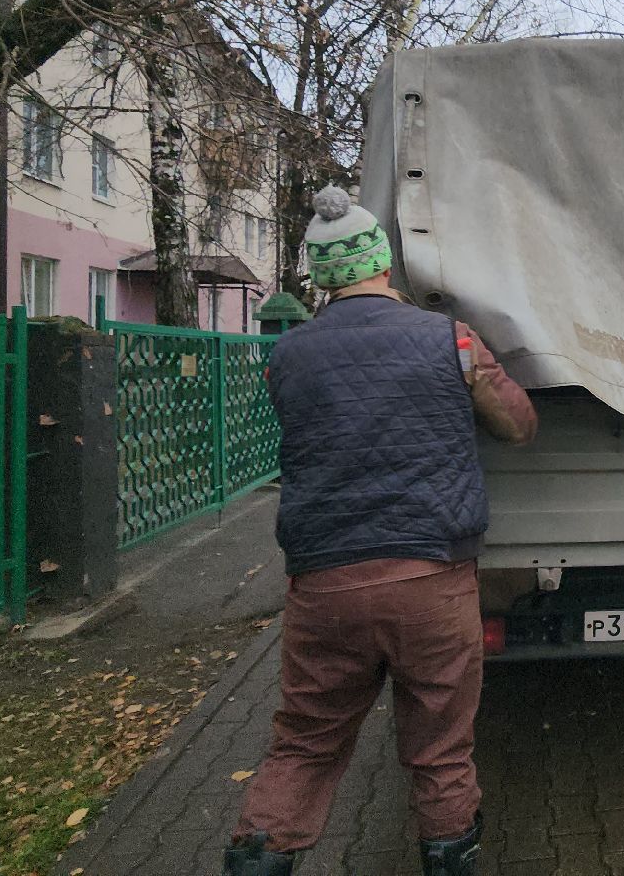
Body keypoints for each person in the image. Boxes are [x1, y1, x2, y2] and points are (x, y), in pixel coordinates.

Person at [225, 186, 537, 876]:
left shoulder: (288, 356)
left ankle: (257, 859)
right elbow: (518, 426)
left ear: (322, 277)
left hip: (324, 586)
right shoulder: (449, 340)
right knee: (439, 752)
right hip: (432, 579)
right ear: (384, 263)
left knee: (305, 745)